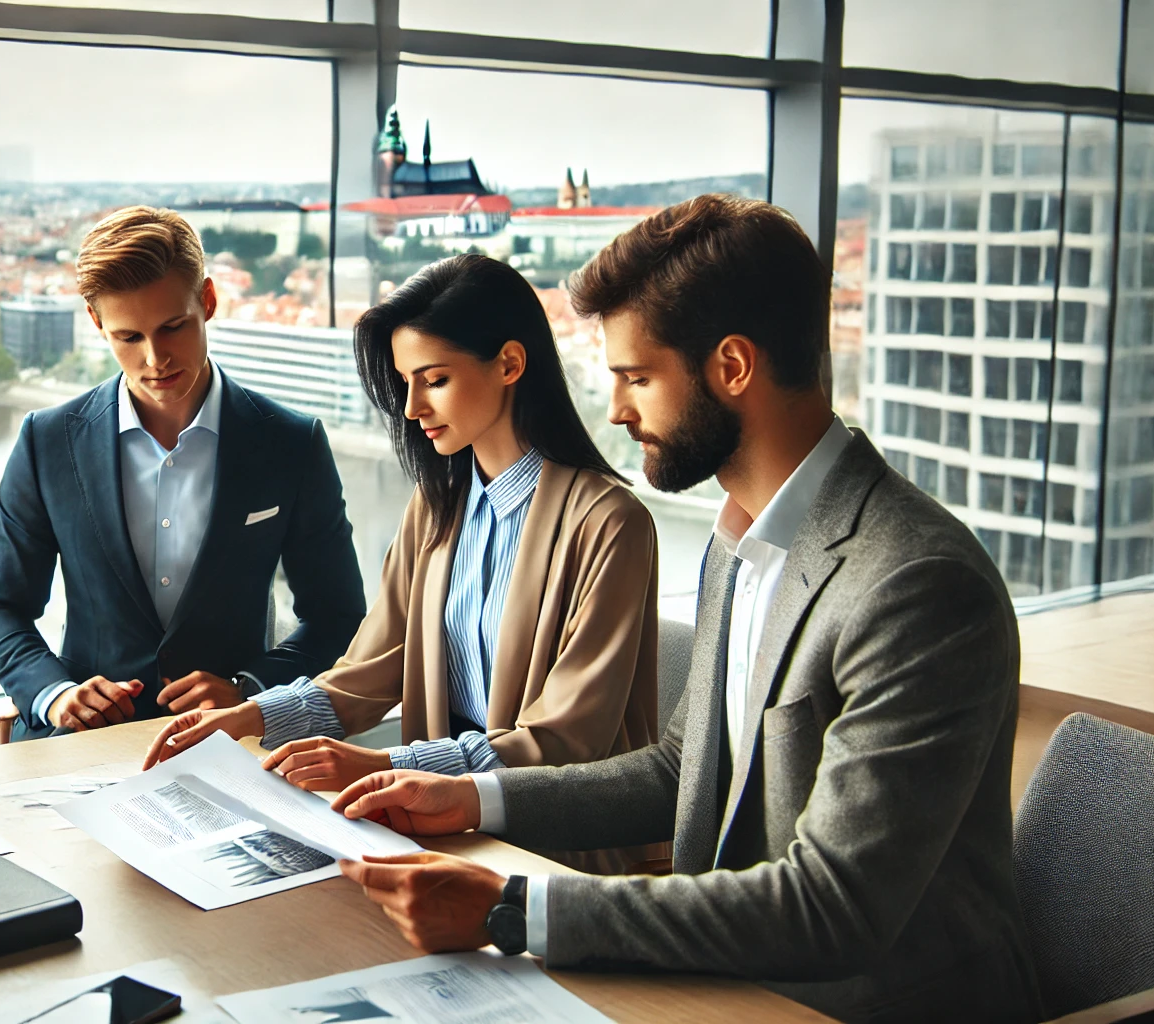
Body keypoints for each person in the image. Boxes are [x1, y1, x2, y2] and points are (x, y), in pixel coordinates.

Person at [326, 195, 1041, 1024]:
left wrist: (511, 908)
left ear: (731, 367)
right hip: (719, 984)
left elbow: (833, 908)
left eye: (636, 377)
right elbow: (683, 771)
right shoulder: (740, 541)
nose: (619, 410)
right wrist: (472, 798)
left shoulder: (915, 586)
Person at [146, 254, 664, 872]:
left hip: (564, 854)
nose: (413, 407)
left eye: (434, 379)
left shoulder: (609, 523)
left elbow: (564, 742)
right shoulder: (438, 506)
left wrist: (386, 764)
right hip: (444, 831)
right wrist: (249, 716)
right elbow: (369, 673)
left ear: (509, 364)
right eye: (405, 381)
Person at [0, 206, 366, 741]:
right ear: (95, 322)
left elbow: (338, 615)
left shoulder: (291, 443)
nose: (155, 358)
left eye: (173, 327)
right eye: (128, 337)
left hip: (236, 746)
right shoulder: (47, 441)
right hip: (81, 747)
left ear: (206, 300)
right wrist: (56, 694)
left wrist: (251, 688)